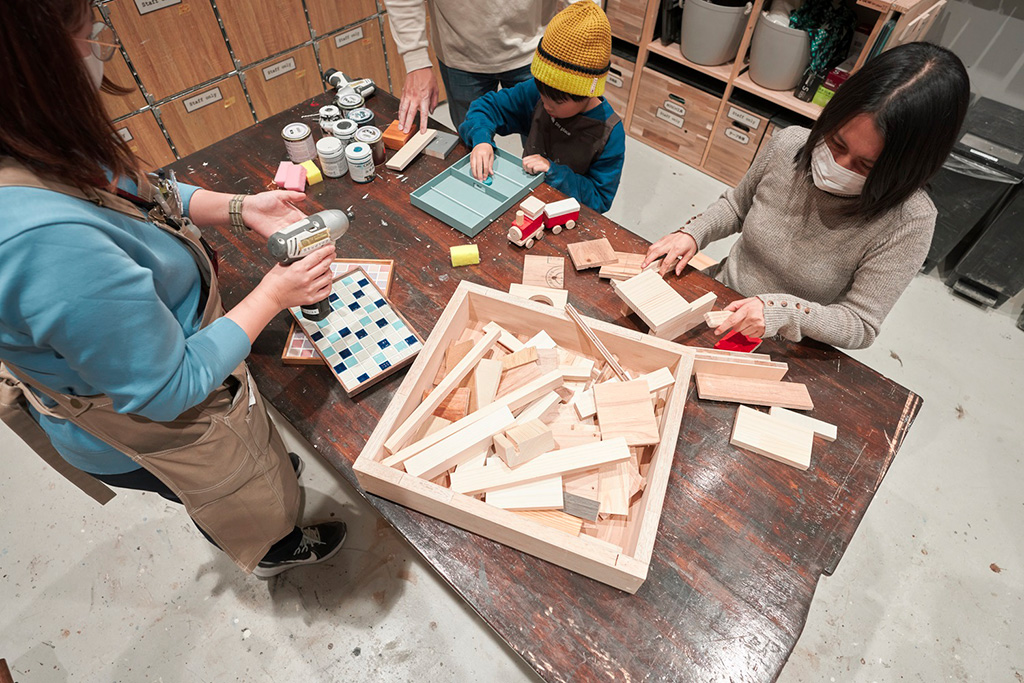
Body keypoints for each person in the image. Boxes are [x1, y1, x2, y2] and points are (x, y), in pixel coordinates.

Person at [0, 0, 346, 578]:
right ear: (37, 65)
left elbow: (144, 194)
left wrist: (242, 208)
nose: (101, 49)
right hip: (160, 425)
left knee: (255, 464)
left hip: (192, 368)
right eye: (89, 36)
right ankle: (273, 550)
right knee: (233, 498)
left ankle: (259, 481)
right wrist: (274, 295)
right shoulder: (43, 243)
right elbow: (168, 389)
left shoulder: (36, 140)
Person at [643, 43, 970, 350]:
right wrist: (692, 232)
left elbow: (860, 323)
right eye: (836, 143)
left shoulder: (909, 222)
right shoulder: (789, 145)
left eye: (866, 165)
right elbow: (736, 207)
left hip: (790, 345)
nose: (839, 165)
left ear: (907, 168)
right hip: (721, 297)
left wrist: (781, 312)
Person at [458, 1, 625, 213]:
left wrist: (553, 171)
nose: (545, 105)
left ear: (586, 93)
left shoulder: (609, 133)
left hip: (569, 215)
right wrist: (481, 140)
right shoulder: (537, 93)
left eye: (556, 101)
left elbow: (599, 199)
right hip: (527, 201)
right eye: (542, 95)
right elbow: (485, 107)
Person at [383, 0, 566, 133]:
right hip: (460, 54)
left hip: (537, 48)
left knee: (545, 151)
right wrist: (416, 61)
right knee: (471, 147)